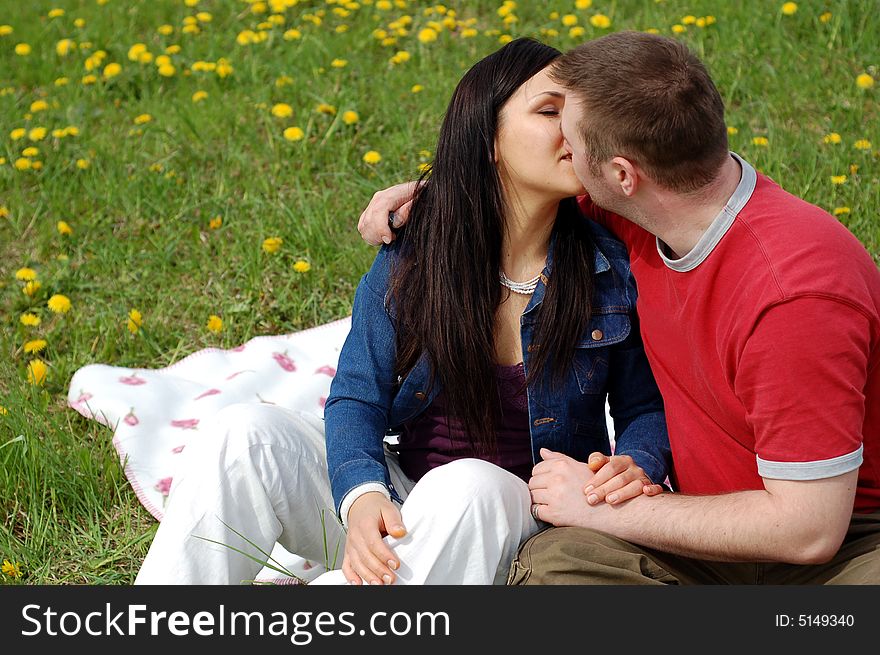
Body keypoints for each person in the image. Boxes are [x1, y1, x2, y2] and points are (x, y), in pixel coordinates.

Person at [134, 37, 671, 586]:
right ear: (486, 137)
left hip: (520, 518)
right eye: (549, 111)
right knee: (242, 433)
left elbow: (645, 409)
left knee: (469, 484)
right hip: (404, 503)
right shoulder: (418, 253)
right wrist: (364, 496)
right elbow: (356, 394)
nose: (572, 130)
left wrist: (635, 467)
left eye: (578, 114)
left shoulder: (606, 270)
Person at [358, 31, 880, 585]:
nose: (563, 145)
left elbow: (809, 531)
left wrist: (614, 510)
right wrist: (437, 198)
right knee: (552, 572)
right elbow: (513, 197)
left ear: (622, 175)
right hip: (700, 530)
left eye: (573, 137)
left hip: (844, 540)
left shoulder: (793, 296)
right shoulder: (646, 213)